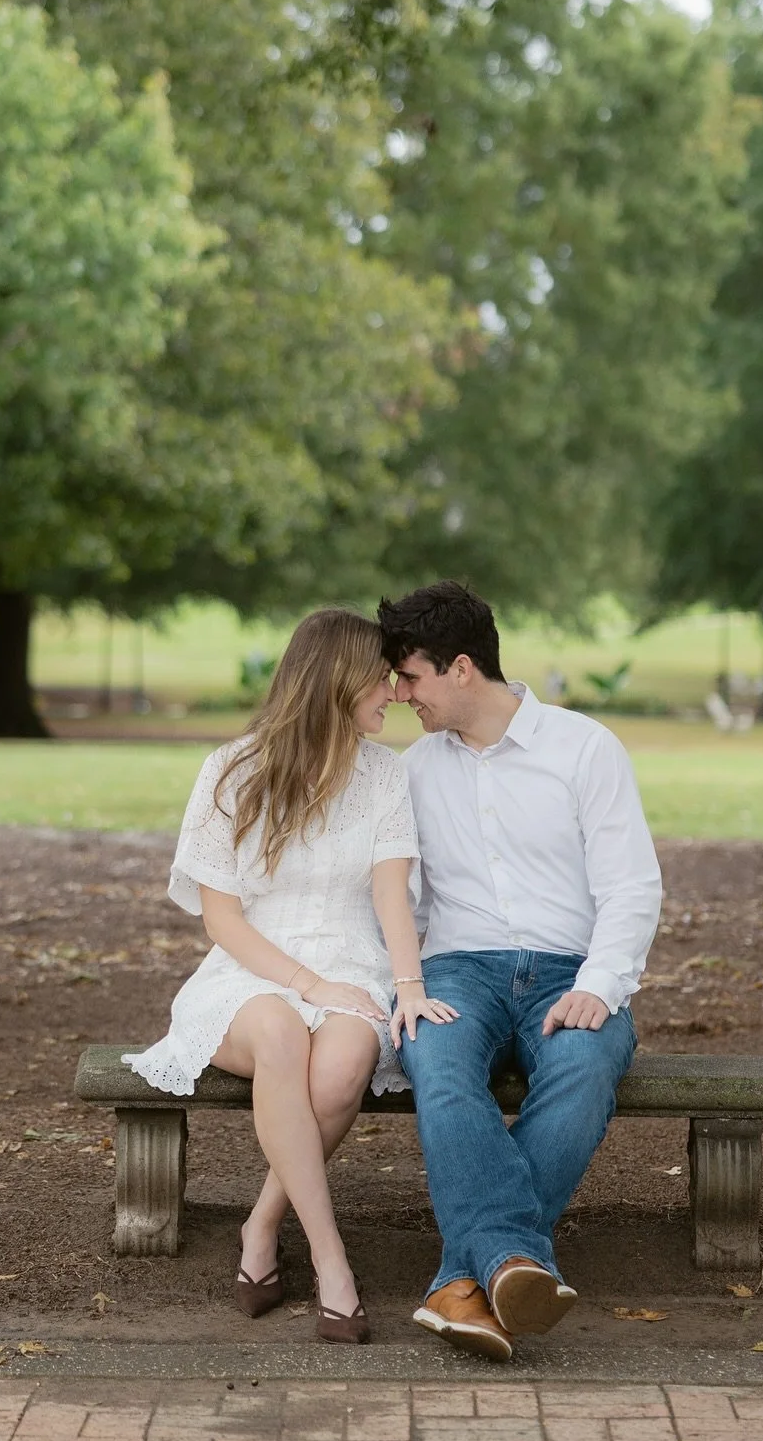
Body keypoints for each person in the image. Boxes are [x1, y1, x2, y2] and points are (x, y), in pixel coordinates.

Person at [125, 608, 454, 1344]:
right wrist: (309, 985)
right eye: (382, 678)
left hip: (353, 966)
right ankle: (333, 1261)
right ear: (339, 682)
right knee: (279, 1033)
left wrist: (408, 989)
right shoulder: (232, 771)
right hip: (249, 973)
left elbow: (390, 896)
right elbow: (224, 921)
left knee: (341, 1069)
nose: (395, 693)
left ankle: (262, 1227)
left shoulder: (383, 776)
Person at [378, 580, 662, 1362]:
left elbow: (631, 885)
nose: (400, 695)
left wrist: (599, 986)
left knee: (585, 1062)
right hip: (458, 971)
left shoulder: (584, 748)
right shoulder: (413, 770)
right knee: (433, 1059)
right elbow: (400, 898)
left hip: (568, 969)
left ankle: (465, 1280)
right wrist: (405, 984)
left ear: (461, 668)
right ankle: (510, 1263)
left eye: (411, 677)